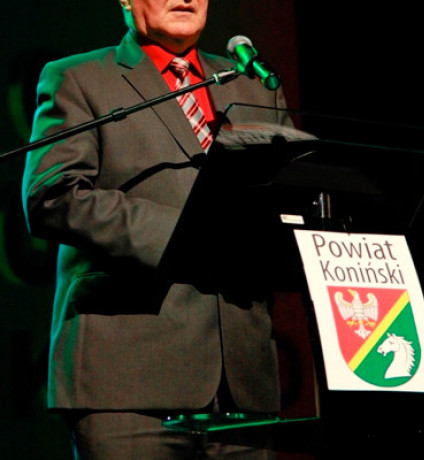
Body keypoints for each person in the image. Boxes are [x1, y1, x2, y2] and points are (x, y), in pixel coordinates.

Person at [22, 0, 291, 458]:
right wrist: (183, 233)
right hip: (126, 381)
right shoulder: (78, 77)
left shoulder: (254, 83)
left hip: (242, 383)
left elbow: (289, 199)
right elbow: (53, 195)